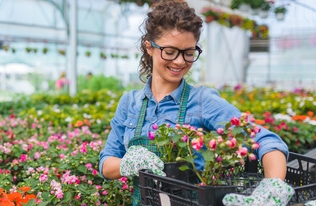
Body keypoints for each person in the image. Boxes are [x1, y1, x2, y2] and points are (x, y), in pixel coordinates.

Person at [98, 1, 294, 205]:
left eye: (188, 53)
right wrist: (126, 163)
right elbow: (106, 163)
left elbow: (266, 141)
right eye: (170, 51)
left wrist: (273, 187)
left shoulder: (202, 101)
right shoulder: (130, 103)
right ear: (149, 47)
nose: (180, 61)